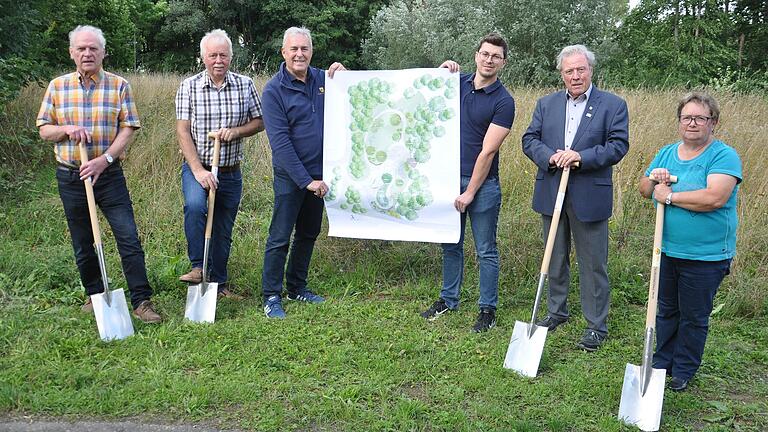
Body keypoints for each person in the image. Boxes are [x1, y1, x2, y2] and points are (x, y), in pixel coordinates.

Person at [36, 25, 162, 323]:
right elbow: (44, 128)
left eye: (93, 48)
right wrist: (66, 129)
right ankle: (96, 295)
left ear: (103, 52)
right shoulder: (58, 86)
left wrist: (104, 160)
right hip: (72, 176)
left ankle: (141, 301)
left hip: (109, 175)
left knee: (128, 236)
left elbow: (129, 127)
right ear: (72, 53)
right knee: (83, 241)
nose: (87, 53)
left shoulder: (119, 85)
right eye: (81, 48)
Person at [521, 44, 629, 351]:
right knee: (554, 258)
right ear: (562, 74)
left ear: (591, 70)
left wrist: (579, 156)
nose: (575, 76)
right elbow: (529, 140)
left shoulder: (613, 105)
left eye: (581, 69)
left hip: (588, 195)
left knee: (593, 263)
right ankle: (557, 312)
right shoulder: (546, 104)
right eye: (569, 71)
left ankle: (596, 326)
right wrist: (551, 157)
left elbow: (617, 146)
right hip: (552, 189)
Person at [639, 92, 741, 391]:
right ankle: (661, 363)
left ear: (714, 122)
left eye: (700, 118)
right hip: (668, 250)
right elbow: (645, 188)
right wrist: (655, 180)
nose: (692, 123)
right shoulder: (667, 152)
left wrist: (669, 195)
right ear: (679, 122)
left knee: (694, 316)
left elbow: (714, 197)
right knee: (666, 309)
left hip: (706, 255)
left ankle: (683, 370)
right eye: (687, 117)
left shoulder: (723, 155)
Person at [419, 33, 515, 332]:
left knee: (485, 248)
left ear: (503, 62)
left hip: (483, 186)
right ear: (476, 55)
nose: (489, 60)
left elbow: (488, 151)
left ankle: (487, 309)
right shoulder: (455, 84)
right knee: (450, 244)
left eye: (495, 56)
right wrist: (440, 71)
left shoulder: (504, 101)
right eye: (485, 54)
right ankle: (448, 299)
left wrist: (470, 191)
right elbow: (425, 96)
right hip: (447, 179)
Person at [260, 27, 345, 318]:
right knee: (280, 235)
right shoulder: (273, 90)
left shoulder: (325, 80)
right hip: (291, 175)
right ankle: (271, 295)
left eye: (304, 49)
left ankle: (297, 287)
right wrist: (306, 181)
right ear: (284, 52)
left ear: (311, 51)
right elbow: (280, 143)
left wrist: (346, 78)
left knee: (308, 232)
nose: (299, 54)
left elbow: (354, 97)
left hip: (321, 174)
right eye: (293, 49)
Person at [176, 29, 264, 299]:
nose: (218, 60)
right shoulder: (188, 86)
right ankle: (198, 267)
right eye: (212, 55)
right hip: (198, 167)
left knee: (223, 228)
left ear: (230, 57)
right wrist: (199, 171)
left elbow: (260, 121)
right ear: (203, 57)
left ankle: (219, 284)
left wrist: (236, 132)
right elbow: (182, 131)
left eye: (223, 55)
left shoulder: (245, 84)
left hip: (229, 170)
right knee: (194, 207)